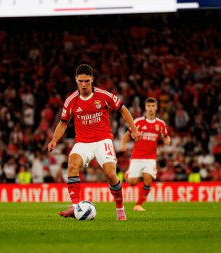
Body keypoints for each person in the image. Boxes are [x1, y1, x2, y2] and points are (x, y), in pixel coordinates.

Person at [48, 64, 141, 221]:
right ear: (76, 80)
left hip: (102, 140)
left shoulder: (103, 95)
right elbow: (63, 122)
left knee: (111, 174)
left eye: (86, 81)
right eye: (80, 81)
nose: (83, 85)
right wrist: (54, 140)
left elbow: (123, 109)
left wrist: (134, 130)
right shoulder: (71, 100)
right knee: (72, 164)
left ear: (92, 80)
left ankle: (120, 209)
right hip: (83, 142)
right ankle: (76, 206)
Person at [121, 97, 170, 211]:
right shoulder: (138, 122)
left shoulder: (161, 124)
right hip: (137, 157)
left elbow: (166, 137)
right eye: (149, 106)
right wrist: (123, 144)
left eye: (153, 106)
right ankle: (128, 175)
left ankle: (138, 205)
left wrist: (167, 140)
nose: (151, 108)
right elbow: (127, 134)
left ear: (156, 107)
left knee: (148, 179)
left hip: (151, 158)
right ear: (145, 107)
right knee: (132, 183)